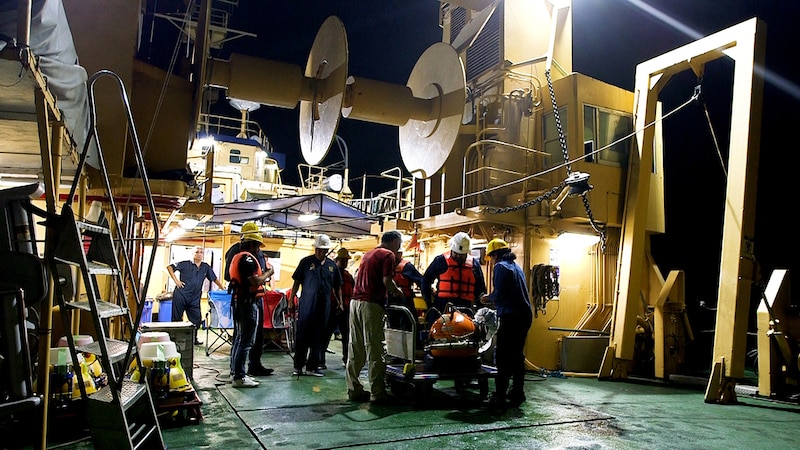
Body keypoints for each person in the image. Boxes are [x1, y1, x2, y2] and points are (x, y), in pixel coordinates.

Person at [346, 230, 404, 403]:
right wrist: (397, 291)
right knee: (375, 348)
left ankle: (353, 389)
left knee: (355, 347)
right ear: (394, 242)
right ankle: (377, 393)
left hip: (355, 303)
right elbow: (387, 281)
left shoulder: (368, 254)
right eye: (399, 244)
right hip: (370, 305)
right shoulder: (388, 255)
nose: (399, 248)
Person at [480, 238, 533, 408]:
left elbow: (499, 294)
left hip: (512, 317)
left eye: (491, 257)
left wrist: (486, 298)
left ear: (495, 255)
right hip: (524, 316)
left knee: (502, 356)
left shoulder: (500, 267)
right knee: (517, 355)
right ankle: (518, 392)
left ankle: (500, 396)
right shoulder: (516, 267)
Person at [224, 222, 275, 377]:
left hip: (254, 297)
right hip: (245, 298)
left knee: (254, 334)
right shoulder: (238, 252)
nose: (259, 248)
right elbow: (233, 276)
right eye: (257, 245)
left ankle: (254, 365)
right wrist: (266, 274)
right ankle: (238, 373)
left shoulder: (255, 254)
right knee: (243, 338)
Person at [288, 234, 342, 377]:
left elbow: (337, 287)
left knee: (319, 336)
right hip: (307, 305)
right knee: (302, 335)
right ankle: (298, 366)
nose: (319, 252)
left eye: (322, 250)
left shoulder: (332, 266)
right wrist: (291, 300)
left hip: (324, 306)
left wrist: (340, 303)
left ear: (327, 250)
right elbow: (296, 282)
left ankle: (312, 367)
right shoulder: (305, 262)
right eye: (317, 249)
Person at [421, 232, 486, 318]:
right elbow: (426, 280)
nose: (458, 256)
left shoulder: (475, 264)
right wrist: (429, 302)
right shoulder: (440, 261)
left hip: (465, 308)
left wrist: (480, 309)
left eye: (461, 254)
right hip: (442, 307)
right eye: (456, 253)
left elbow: (480, 288)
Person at [167, 246, 225, 345]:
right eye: (197, 252)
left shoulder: (205, 267)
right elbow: (169, 267)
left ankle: (194, 339)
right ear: (193, 254)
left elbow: (214, 279)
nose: (199, 254)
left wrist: (223, 289)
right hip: (181, 295)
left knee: (197, 319)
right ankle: (174, 340)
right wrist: (176, 281)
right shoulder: (185, 264)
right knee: (176, 319)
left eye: (201, 252)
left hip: (194, 297)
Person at [387, 250, 423, 331]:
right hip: (389, 301)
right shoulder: (386, 266)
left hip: (405, 301)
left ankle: (411, 342)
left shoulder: (407, 266)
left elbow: (421, 281)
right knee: (392, 326)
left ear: (400, 254)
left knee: (408, 325)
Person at [332, 248, 355, 367]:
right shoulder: (332, 273)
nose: (345, 262)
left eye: (346, 260)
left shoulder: (348, 276)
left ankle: (346, 358)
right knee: (324, 334)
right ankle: (318, 360)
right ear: (338, 260)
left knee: (347, 335)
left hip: (346, 309)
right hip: (333, 308)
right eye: (343, 260)